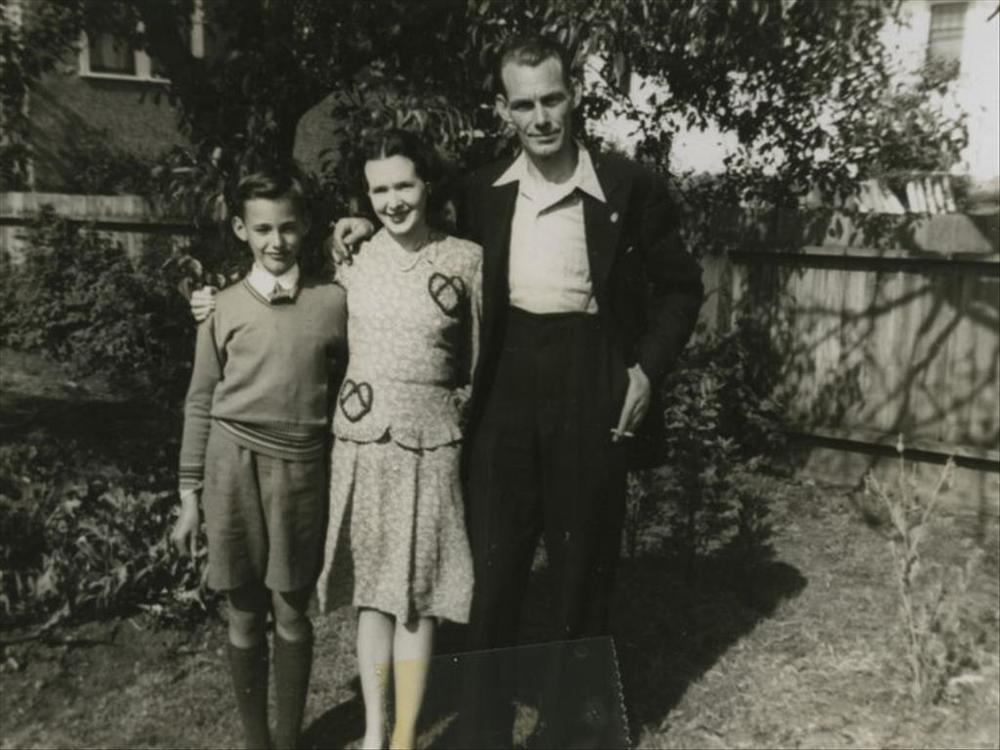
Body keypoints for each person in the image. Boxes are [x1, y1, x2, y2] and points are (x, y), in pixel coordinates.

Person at [330, 33, 705, 747]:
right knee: (491, 567)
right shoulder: (482, 190)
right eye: (524, 104)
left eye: (552, 99)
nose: (540, 117)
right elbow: (414, 225)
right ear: (504, 109)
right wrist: (354, 221)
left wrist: (645, 371)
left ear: (575, 96)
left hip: (592, 373)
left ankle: (568, 729)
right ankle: (483, 727)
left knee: (581, 566)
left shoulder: (629, 186)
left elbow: (681, 288)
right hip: (506, 380)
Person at [171, 168, 347, 750]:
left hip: (300, 471)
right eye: (263, 229)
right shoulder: (219, 308)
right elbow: (200, 400)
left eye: (288, 227)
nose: (277, 241)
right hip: (231, 469)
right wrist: (189, 496)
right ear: (240, 229)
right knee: (244, 611)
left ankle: (289, 740)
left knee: (292, 609)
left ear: (307, 227)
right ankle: (256, 742)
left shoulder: (333, 302)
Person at [316, 128, 481, 750]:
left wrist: (457, 415)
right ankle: (373, 732)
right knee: (372, 594)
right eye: (379, 190)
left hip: (431, 444)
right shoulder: (352, 258)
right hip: (361, 442)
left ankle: (407, 736)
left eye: (404, 185)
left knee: (417, 595)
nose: (393, 201)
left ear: (427, 184)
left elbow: (480, 359)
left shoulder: (466, 260)